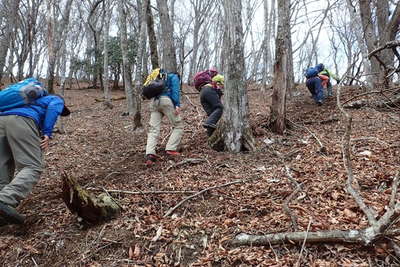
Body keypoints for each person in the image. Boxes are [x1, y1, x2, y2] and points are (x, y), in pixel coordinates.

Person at [0, 94, 70, 225]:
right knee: (32, 167)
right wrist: (47, 132)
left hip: (2, 119)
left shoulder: (28, 99)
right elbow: (54, 108)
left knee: (3, 165)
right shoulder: (56, 99)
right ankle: (4, 200)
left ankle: (2, 213)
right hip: (22, 120)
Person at [145, 69, 184, 167]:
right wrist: (177, 104)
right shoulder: (174, 77)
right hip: (166, 101)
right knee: (178, 125)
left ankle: (150, 153)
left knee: (153, 129)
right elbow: (175, 91)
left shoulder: (159, 76)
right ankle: (171, 148)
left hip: (154, 102)